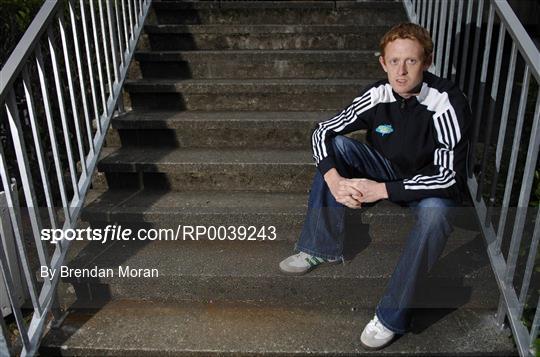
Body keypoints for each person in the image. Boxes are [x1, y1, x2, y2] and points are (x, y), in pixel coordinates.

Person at [278, 23, 471, 350]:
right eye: (394, 61)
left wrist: (380, 191)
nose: (401, 71)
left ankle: (391, 317)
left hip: (428, 187)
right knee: (337, 146)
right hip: (385, 170)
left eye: (411, 61)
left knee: (437, 215)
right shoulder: (377, 93)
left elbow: (448, 176)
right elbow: (321, 132)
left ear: (427, 61)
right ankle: (318, 247)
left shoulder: (446, 102)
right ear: (383, 62)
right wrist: (335, 180)